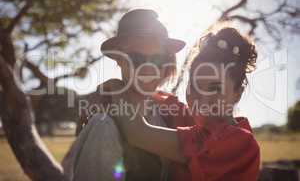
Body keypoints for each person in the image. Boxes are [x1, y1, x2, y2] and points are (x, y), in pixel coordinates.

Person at [111, 26, 260, 181]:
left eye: (215, 88)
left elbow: (137, 132)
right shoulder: (196, 124)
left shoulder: (239, 142)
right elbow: (163, 100)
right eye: (195, 86)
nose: (201, 99)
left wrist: (117, 89)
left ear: (238, 94)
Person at [62, 9, 186, 181]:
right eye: (137, 58)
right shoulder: (104, 124)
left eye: (157, 59)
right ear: (119, 59)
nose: (148, 69)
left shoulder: (170, 114)